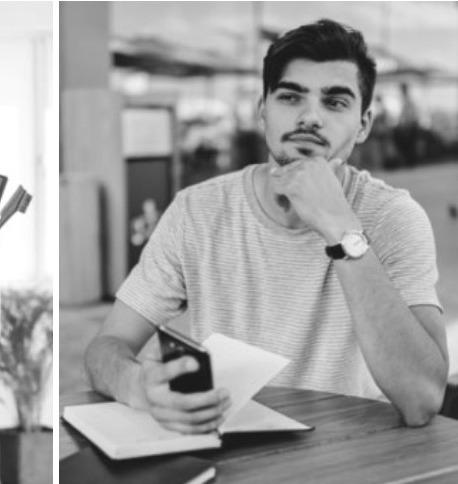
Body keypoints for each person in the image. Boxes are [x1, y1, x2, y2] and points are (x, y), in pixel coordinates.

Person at [84, 18, 447, 435]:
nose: (310, 117)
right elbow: (103, 350)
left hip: (354, 458)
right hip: (235, 454)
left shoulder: (394, 217)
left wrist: (341, 229)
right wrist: (137, 386)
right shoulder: (197, 212)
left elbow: (422, 399)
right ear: (263, 111)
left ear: (363, 124)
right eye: (291, 97)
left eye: (335, 102)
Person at [394, 82, 421, 167]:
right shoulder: (406, 100)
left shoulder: (407, 100)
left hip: (410, 125)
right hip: (409, 125)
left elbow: (408, 115)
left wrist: (405, 124)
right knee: (409, 144)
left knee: (409, 144)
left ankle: (411, 162)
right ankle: (410, 162)